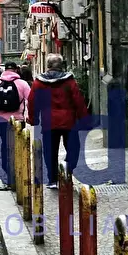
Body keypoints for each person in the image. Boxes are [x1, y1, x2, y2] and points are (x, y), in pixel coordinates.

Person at [28, 54, 89, 189]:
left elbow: (32, 102)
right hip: (69, 122)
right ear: (61, 65)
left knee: (50, 151)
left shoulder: (39, 83)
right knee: (74, 148)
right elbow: (78, 100)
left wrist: (33, 119)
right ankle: (67, 169)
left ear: (48, 65)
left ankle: (53, 180)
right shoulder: (69, 81)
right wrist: (84, 119)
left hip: (49, 122)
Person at [0, 61, 31, 186]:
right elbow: (30, 101)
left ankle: (7, 171)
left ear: (5, 70)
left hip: (1, 120)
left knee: (5, 144)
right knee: (18, 146)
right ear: (16, 70)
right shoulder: (23, 84)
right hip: (18, 120)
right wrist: (29, 117)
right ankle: (18, 170)